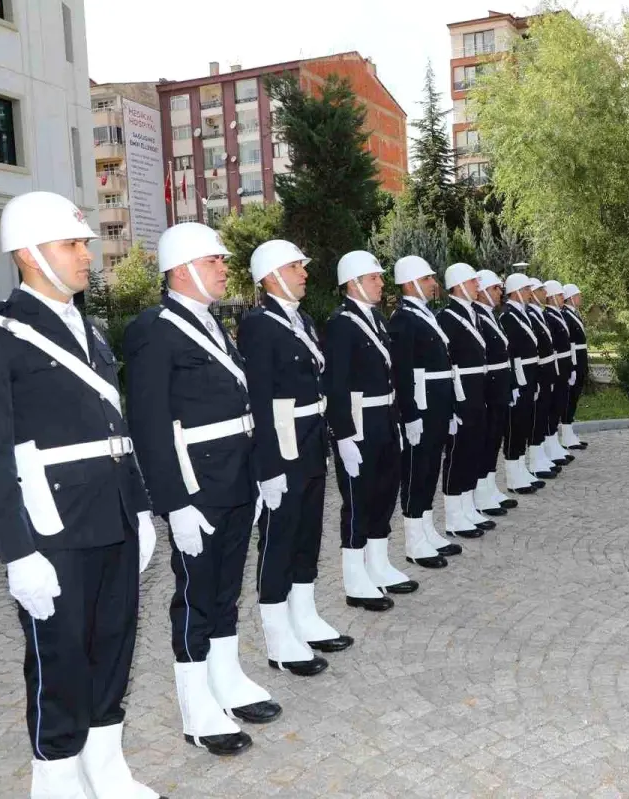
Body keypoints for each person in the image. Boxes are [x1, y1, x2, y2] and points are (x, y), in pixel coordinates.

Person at [0, 191, 163, 797]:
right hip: (54, 526)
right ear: (28, 254)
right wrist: (16, 552)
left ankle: (106, 766)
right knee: (59, 657)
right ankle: (56, 777)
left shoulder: (91, 329)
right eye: (72, 244)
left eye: (85, 245)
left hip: (115, 517)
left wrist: (142, 506)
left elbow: (115, 427)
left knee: (114, 646)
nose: (86, 257)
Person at [125, 222, 278, 758]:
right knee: (194, 595)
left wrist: (258, 473)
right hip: (197, 484)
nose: (223, 269)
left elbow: (242, 408)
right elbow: (148, 423)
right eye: (214, 261)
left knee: (225, 590)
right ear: (183, 268)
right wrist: (174, 503)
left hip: (234, 476)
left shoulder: (213, 324)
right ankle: (196, 707)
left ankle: (226, 679)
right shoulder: (155, 328)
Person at [237, 239, 351, 682]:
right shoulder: (258, 324)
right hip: (282, 447)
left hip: (309, 440)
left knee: (306, 534)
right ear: (269, 276)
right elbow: (260, 399)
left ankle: (305, 618)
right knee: (279, 539)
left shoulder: (299, 319)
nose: (304, 273)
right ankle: (278, 635)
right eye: (294, 267)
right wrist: (268, 468)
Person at [323, 251, 410, 610]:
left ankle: (379, 564)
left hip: (383, 418)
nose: (380, 283)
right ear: (354, 283)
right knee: (358, 501)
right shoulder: (341, 323)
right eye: (374, 277)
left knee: (384, 493)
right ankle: (355, 578)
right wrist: (343, 435)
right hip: (359, 425)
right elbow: (335, 384)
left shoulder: (374, 319)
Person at [385, 255, 463, 563]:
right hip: (422, 406)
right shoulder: (403, 319)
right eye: (428, 278)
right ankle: (414, 542)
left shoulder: (425, 315)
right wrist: (410, 414)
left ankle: (428, 531)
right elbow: (402, 372)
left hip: (437, 405)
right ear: (411, 283)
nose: (434, 284)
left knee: (430, 468)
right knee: (417, 471)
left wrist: (452, 406)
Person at [438, 263, 496, 536]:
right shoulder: (447, 317)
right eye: (473, 282)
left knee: (473, 449)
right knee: (458, 452)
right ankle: (453, 515)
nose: (477, 287)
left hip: (477, 388)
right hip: (461, 390)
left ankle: (467, 505)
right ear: (459, 285)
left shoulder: (471, 313)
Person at [472, 269, 518, 516]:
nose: (500, 293)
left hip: (498, 386)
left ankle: (489, 488)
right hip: (488, 389)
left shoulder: (490, 316)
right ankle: (481, 492)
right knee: (486, 441)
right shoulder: (477, 317)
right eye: (495, 289)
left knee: (494, 441)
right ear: (481, 293)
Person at [499, 273, 546, 494]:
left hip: (529, 373)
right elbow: (511, 353)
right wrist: (515, 384)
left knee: (524, 424)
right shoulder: (508, 317)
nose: (530, 293)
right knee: (514, 427)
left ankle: (520, 468)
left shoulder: (522, 314)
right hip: (519, 375)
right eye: (526, 289)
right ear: (516, 291)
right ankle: (512, 475)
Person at [525, 277, 562, 478]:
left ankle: (541, 455)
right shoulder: (530, 314)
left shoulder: (538, 314)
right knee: (537, 415)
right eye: (539, 290)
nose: (543, 294)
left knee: (545, 412)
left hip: (547, 368)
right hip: (538, 370)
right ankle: (536, 458)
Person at [541, 280, 575, 466]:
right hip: (555, 365)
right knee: (552, 408)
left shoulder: (557, 315)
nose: (563, 298)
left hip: (562, 364)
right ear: (552, 296)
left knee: (559, 404)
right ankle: (549, 443)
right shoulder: (548, 316)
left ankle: (553, 442)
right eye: (560, 295)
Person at [560, 283, 589, 450]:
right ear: (570, 297)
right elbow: (569, 343)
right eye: (578, 295)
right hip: (574, 360)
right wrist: (573, 366)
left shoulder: (573, 314)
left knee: (574, 397)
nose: (580, 298)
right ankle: (566, 433)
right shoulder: (566, 315)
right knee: (570, 398)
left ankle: (569, 431)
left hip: (580, 359)